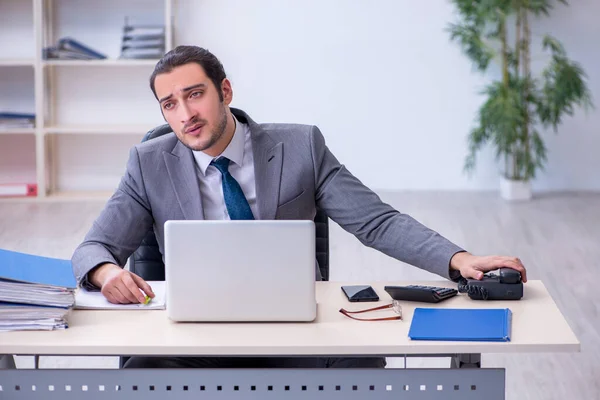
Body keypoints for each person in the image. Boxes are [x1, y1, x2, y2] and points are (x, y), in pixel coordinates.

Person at [71, 45, 527, 369]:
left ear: (225, 91)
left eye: (195, 94)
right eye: (169, 104)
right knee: (144, 378)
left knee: (358, 369)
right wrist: (106, 273)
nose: (185, 114)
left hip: (295, 329)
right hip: (195, 336)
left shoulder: (300, 146)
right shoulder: (149, 162)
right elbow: (94, 247)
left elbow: (376, 221)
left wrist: (459, 260)